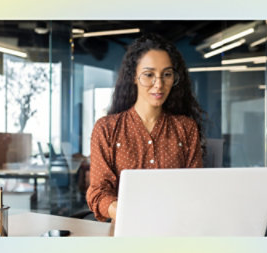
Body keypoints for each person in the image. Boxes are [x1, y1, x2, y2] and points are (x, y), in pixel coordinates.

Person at [86, 33, 205, 222]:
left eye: (166, 74)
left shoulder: (186, 128)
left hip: (176, 229)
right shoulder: (106, 129)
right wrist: (124, 211)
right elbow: (98, 192)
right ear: (133, 76)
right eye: (149, 75)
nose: (159, 84)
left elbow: (196, 188)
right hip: (125, 232)